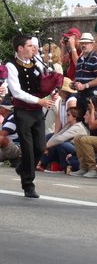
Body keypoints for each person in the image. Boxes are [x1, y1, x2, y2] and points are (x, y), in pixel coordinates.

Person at [5, 35, 56, 198]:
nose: (33, 48)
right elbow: (16, 91)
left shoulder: (37, 64)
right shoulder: (11, 65)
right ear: (20, 48)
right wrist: (39, 100)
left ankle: (22, 168)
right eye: (29, 46)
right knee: (27, 148)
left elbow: (43, 85)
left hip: (37, 111)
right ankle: (28, 184)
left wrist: (50, 95)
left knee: (40, 147)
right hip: (23, 112)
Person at [40, 106, 88, 172]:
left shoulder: (77, 127)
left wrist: (44, 146)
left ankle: (63, 167)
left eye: (68, 115)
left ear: (75, 117)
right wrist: (46, 146)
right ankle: (42, 163)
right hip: (71, 146)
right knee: (50, 136)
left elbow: (60, 138)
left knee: (61, 144)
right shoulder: (69, 125)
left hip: (79, 149)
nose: (66, 116)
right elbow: (57, 135)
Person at [72, 32, 97, 119]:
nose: (83, 45)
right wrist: (74, 83)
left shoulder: (96, 58)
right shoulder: (80, 59)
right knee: (80, 120)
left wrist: (85, 85)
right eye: (82, 43)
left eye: (86, 43)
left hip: (91, 95)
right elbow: (80, 76)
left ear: (92, 44)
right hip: (81, 95)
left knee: (90, 120)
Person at [0, 99, 21, 166]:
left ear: (5, 109)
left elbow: (2, 135)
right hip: (7, 148)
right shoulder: (8, 118)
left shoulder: (13, 118)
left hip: (16, 148)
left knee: (2, 138)